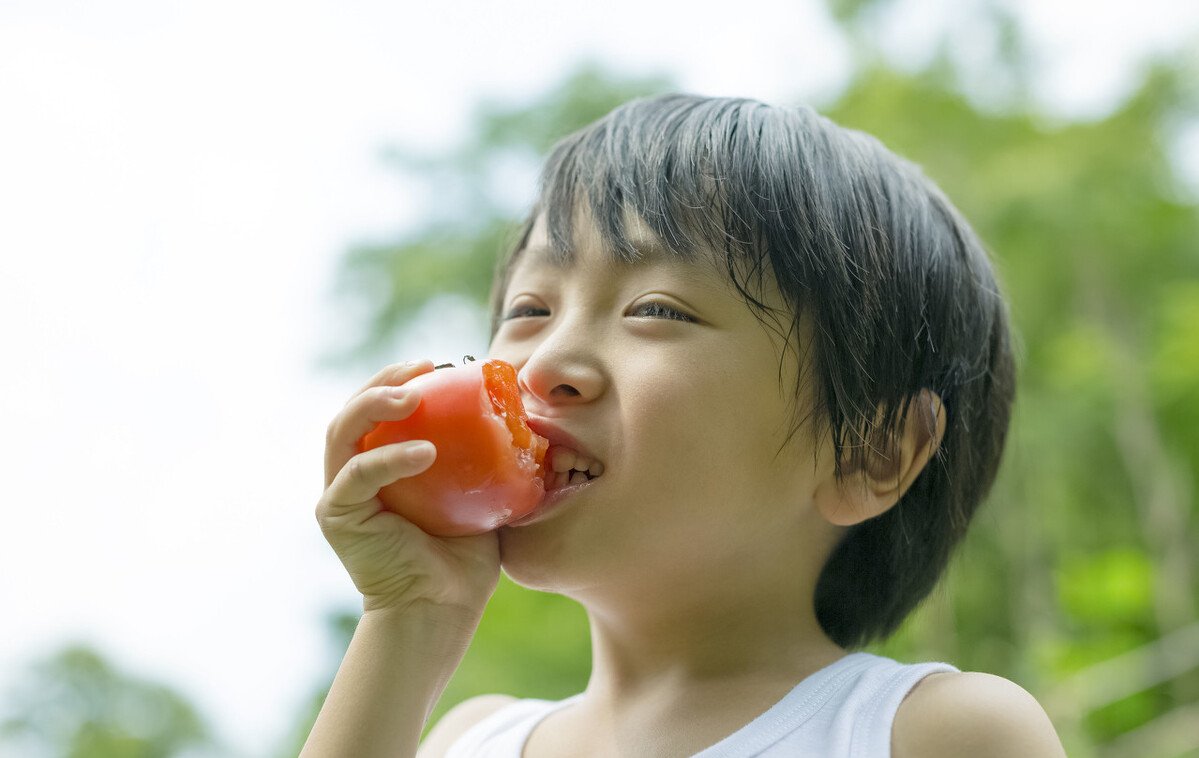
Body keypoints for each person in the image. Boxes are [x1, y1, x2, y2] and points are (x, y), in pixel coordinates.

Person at [302, 95, 1067, 757]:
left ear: (868, 451)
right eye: (529, 310)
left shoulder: (931, 735)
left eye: (656, 310)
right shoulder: (473, 741)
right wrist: (409, 618)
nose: (543, 365)